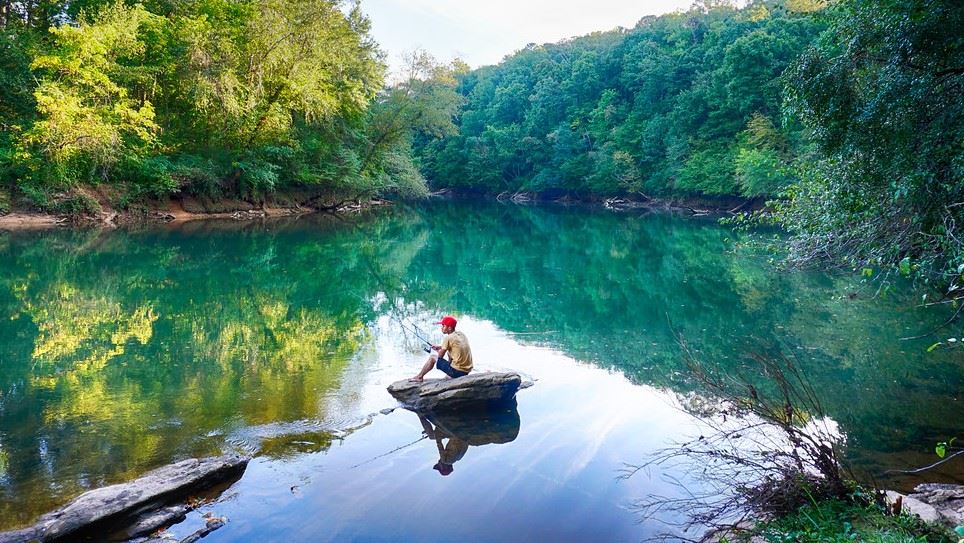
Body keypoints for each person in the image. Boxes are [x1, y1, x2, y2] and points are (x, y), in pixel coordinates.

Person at [409, 315, 472, 382]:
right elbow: (455, 346)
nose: (441, 328)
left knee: (432, 357)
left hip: (457, 372)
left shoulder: (448, 338)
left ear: (450, 328)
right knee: (449, 353)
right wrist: (440, 347)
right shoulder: (461, 334)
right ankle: (450, 373)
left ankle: (419, 377)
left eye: (443, 326)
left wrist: (439, 351)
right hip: (466, 371)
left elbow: (440, 357)